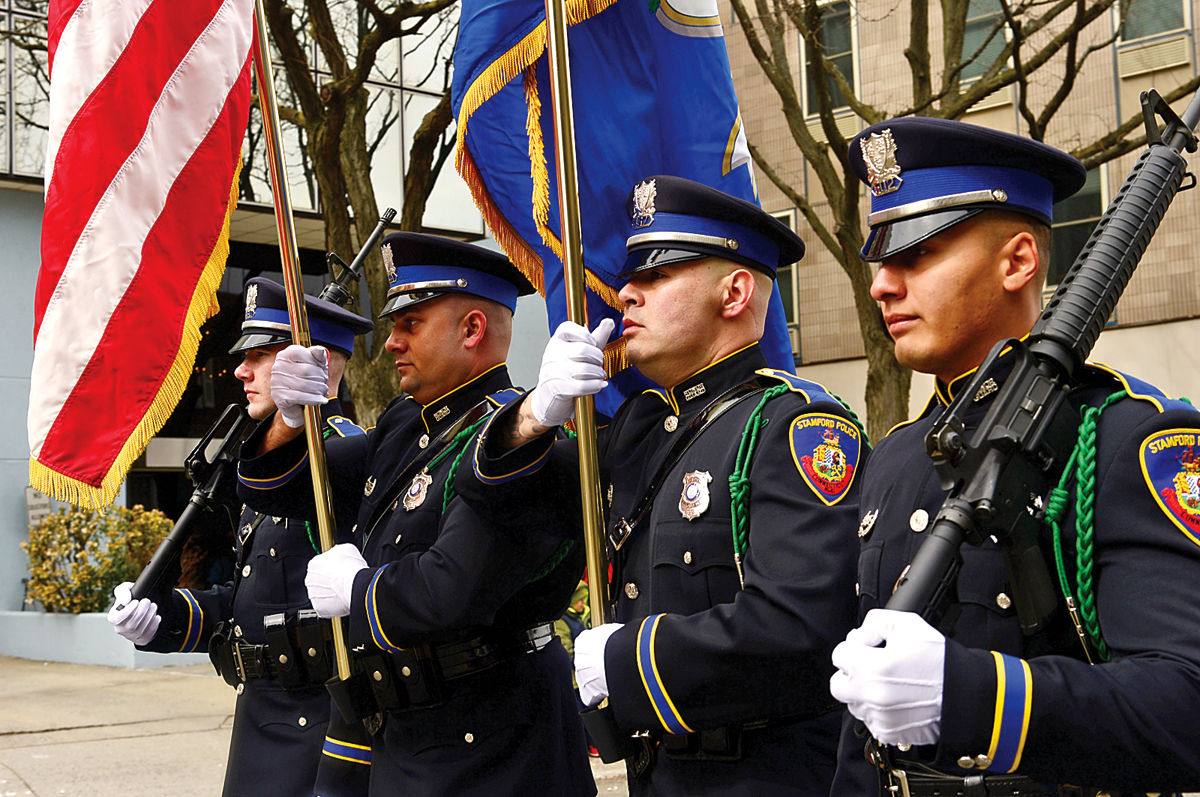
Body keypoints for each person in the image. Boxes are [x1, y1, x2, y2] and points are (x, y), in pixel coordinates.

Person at [456, 175, 865, 796]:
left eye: (656, 277)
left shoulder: (796, 426)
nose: (625, 294)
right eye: (631, 278)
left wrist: (628, 663)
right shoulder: (645, 429)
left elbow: (799, 631)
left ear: (734, 292)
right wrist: (535, 413)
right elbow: (505, 506)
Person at [829, 116, 1200, 796]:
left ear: (1018, 261)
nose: (882, 284)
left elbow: (1186, 701)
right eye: (881, 260)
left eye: (916, 254)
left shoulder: (1123, 440)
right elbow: (866, 725)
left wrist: (974, 698)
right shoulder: (897, 457)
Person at [236, 233, 596, 797]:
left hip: (492, 742)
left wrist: (360, 590)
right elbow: (290, 489)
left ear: (472, 330)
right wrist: (287, 417)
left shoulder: (525, 445)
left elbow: (449, 593)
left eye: (411, 325)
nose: (391, 343)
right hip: (408, 735)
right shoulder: (408, 425)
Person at [107, 277, 376, 796]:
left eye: (262, 354)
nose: (240, 370)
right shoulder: (264, 467)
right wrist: (163, 617)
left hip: (320, 723)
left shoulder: (344, 457)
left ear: (312, 363)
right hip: (261, 718)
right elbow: (249, 602)